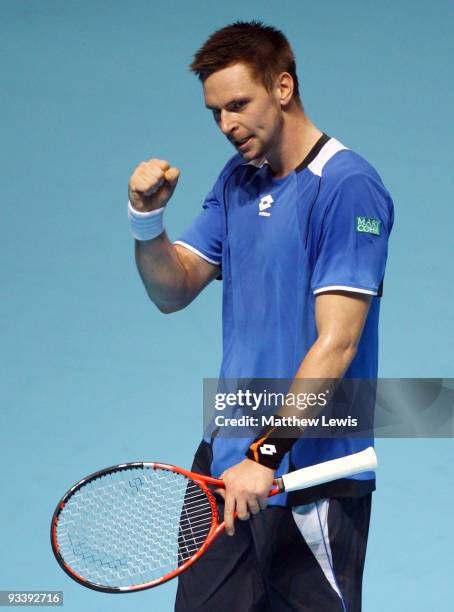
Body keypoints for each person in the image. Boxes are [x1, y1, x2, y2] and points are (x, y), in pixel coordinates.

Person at [127, 21, 393, 612]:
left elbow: (338, 344)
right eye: (215, 112)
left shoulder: (347, 187)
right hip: (225, 470)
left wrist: (265, 454)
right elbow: (172, 289)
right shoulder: (236, 183)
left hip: (309, 476)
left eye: (238, 105)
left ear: (282, 86)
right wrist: (147, 222)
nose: (227, 125)